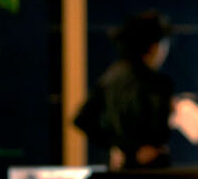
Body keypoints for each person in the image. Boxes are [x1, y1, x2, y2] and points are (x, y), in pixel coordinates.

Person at [75, 11, 175, 169]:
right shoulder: (157, 83)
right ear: (154, 47)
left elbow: (82, 119)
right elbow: (158, 135)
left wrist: (115, 147)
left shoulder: (111, 77)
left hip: (119, 171)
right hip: (150, 174)